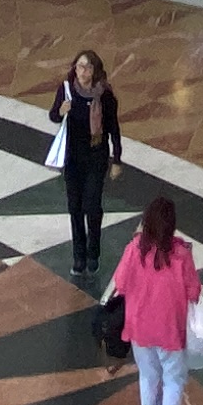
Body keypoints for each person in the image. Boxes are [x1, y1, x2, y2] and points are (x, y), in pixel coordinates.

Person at [105, 192, 203, 405]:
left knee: (149, 377)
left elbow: (121, 284)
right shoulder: (182, 255)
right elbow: (194, 292)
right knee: (174, 379)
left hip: (139, 329)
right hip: (171, 330)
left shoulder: (134, 249)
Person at [48, 48, 123, 277]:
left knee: (92, 206)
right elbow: (53, 116)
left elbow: (113, 128)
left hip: (96, 156)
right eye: (79, 66)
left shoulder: (105, 96)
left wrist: (117, 159)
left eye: (88, 67)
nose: (83, 71)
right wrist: (61, 111)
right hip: (73, 158)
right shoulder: (67, 90)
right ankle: (78, 256)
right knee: (75, 208)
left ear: (95, 70)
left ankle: (93, 253)